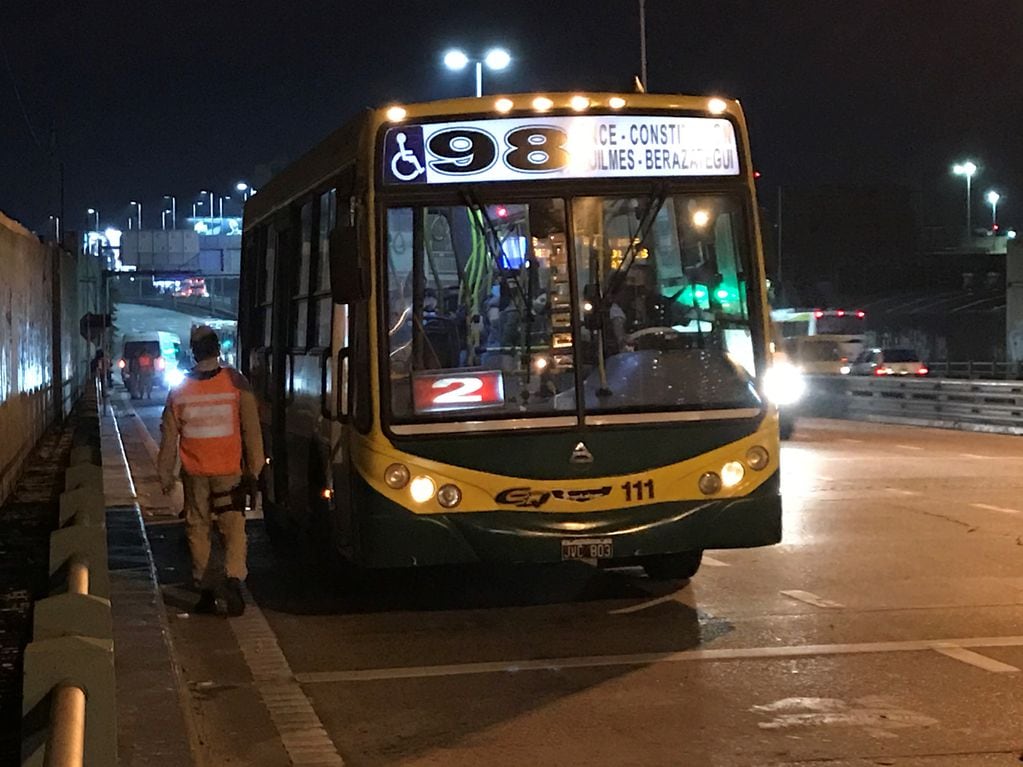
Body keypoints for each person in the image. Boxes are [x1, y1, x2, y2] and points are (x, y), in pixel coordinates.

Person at [157, 325, 264, 616]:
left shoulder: (180, 388)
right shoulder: (235, 382)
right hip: (229, 471)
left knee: (198, 527)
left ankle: (206, 587)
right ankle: (233, 577)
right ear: (217, 350)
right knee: (233, 526)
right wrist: (254, 469)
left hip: (195, 473)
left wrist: (166, 476)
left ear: (194, 351)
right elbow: (251, 429)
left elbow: (169, 436)